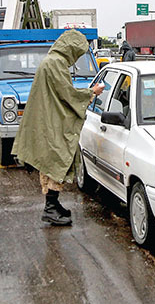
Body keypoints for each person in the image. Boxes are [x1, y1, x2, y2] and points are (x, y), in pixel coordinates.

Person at [12, 30, 104, 226]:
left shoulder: (51, 60)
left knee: (50, 160)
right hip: (52, 121)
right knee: (57, 158)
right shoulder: (56, 64)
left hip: (47, 118)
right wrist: (92, 92)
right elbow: (68, 95)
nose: (76, 59)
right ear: (70, 49)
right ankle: (51, 207)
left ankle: (52, 204)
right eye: (77, 53)